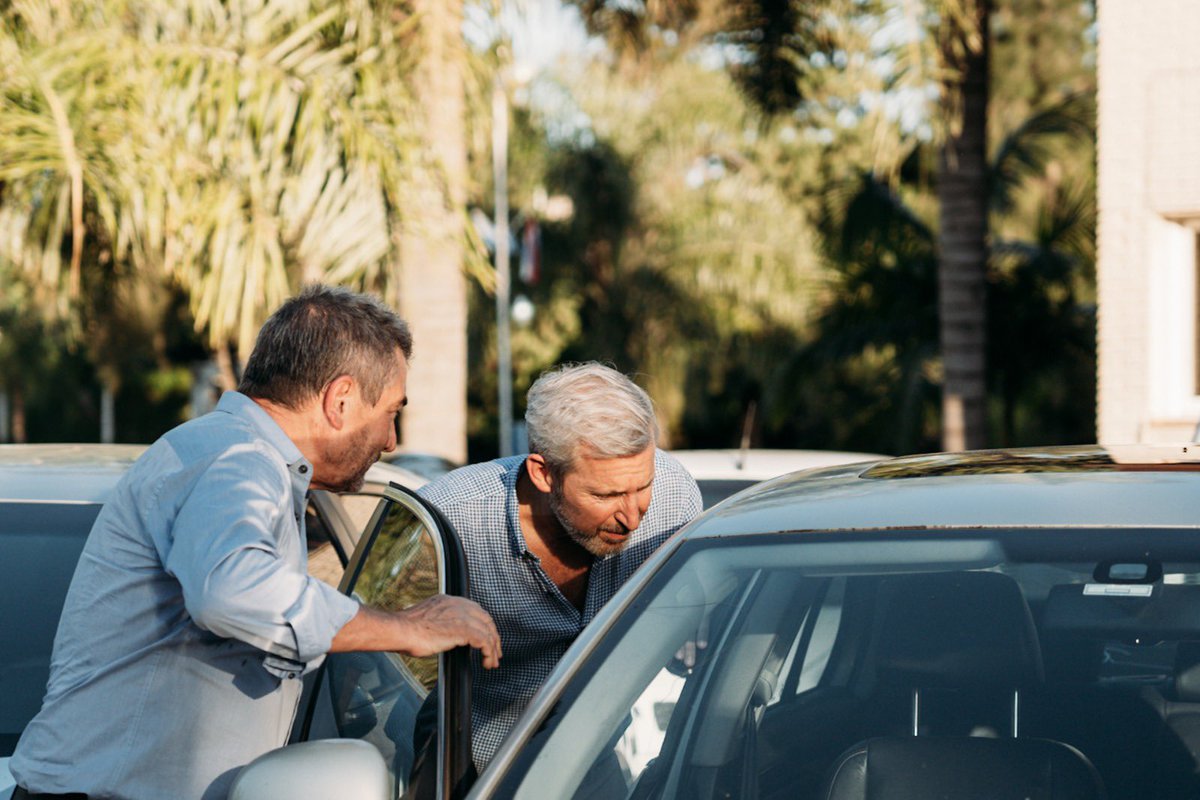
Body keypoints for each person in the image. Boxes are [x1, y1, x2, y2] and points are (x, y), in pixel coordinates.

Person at [8, 286, 501, 800]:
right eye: (390, 412)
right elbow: (233, 590)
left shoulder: (227, 452)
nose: (392, 440)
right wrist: (405, 628)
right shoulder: (239, 460)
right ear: (340, 400)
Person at [419, 362, 702, 769]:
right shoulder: (451, 519)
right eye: (606, 495)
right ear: (543, 473)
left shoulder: (674, 500)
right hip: (459, 763)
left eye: (643, 487)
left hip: (589, 759)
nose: (633, 515)